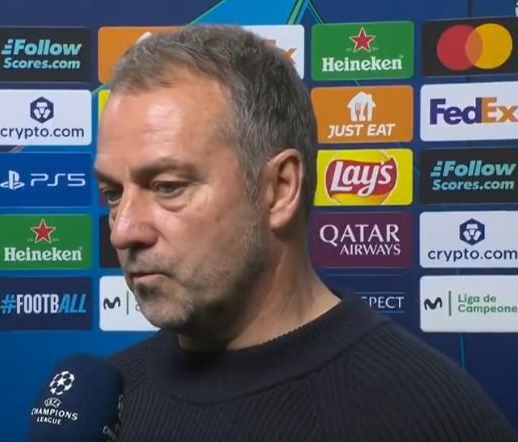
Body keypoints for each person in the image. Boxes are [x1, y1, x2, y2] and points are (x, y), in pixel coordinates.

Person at [94, 25, 517, 441]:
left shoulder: (428, 418)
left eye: (168, 187)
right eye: (113, 194)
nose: (123, 231)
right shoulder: (105, 404)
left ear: (280, 189)